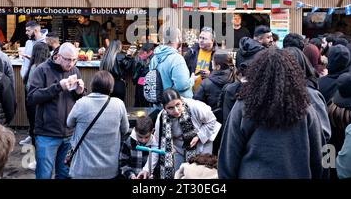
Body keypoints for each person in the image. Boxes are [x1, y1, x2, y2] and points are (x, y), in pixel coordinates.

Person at [218, 48, 323, 179]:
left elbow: (229, 154)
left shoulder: (244, 107)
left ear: (257, 74)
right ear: (292, 76)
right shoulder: (306, 109)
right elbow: (318, 157)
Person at [27, 42, 85, 179]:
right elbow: (32, 97)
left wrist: (80, 92)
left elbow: (76, 99)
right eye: (68, 59)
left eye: (74, 60)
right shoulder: (42, 70)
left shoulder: (75, 70)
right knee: (44, 174)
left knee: (65, 174)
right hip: (47, 134)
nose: (71, 63)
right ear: (58, 56)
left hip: (69, 134)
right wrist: (57, 87)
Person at [138, 88, 221, 179]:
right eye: (170, 108)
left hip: (202, 143)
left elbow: (212, 120)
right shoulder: (161, 118)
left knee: (199, 174)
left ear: (181, 101)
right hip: (178, 148)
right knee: (178, 175)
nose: (176, 110)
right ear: (164, 108)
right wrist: (146, 169)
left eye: (178, 105)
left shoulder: (194, 106)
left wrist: (199, 136)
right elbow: (157, 146)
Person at [67, 71, 129, 179]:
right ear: (111, 87)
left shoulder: (81, 103)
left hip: (82, 169)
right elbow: (125, 129)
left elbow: (69, 123)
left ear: (92, 85)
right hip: (110, 170)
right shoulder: (118, 104)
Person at [149, 27, 194, 99]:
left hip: (160, 103)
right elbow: (182, 85)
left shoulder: (154, 58)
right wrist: (192, 79)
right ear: (177, 38)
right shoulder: (177, 59)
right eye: (180, 37)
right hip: (175, 105)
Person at [21, 42, 51, 149]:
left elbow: (29, 87)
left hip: (34, 104)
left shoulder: (34, 67)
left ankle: (36, 157)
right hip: (48, 105)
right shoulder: (50, 67)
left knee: (35, 130)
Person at [184, 27, 217, 92]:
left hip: (209, 93)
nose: (201, 40)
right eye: (200, 37)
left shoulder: (217, 55)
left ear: (212, 40)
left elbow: (223, 76)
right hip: (191, 92)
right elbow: (184, 72)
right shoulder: (191, 52)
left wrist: (210, 75)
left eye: (204, 38)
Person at [132, 43, 155, 107]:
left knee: (142, 103)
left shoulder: (153, 59)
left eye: (143, 53)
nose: (141, 55)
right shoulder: (152, 58)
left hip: (145, 86)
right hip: (144, 85)